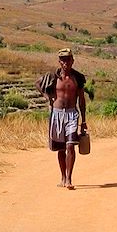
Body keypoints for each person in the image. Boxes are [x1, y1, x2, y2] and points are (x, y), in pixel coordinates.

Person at [35, 48, 87, 190]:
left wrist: (83, 121)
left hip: (72, 114)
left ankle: (69, 179)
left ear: (72, 61)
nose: (66, 62)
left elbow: (81, 100)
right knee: (60, 148)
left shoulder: (78, 78)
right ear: (59, 62)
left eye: (68, 59)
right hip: (56, 114)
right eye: (63, 60)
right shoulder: (53, 76)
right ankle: (63, 177)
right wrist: (47, 98)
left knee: (70, 145)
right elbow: (38, 84)